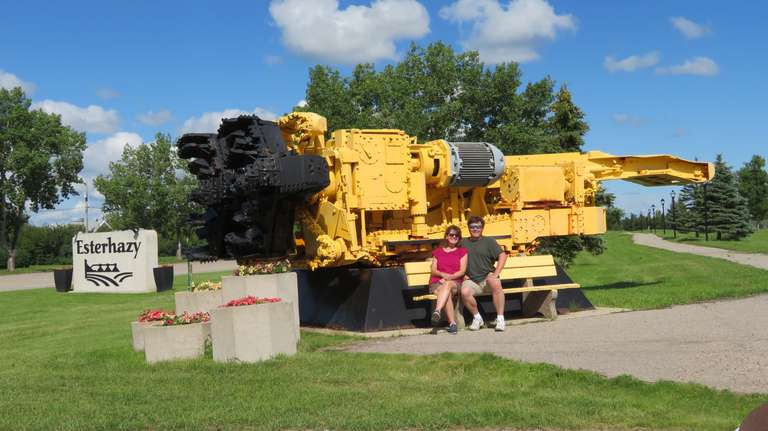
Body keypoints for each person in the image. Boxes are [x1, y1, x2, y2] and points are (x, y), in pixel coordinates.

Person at [460, 216, 508, 331]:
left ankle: (500, 319)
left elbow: (502, 255)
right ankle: (477, 318)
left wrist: (496, 273)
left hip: (487, 278)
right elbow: (455, 258)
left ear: (482, 228)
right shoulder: (463, 243)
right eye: (472, 227)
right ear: (468, 228)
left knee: (495, 282)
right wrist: (462, 275)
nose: (475, 229)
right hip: (472, 280)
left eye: (478, 227)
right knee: (464, 292)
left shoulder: (489, 241)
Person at [428, 225, 467, 335]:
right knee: (446, 293)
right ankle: (452, 324)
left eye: (456, 235)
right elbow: (433, 270)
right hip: (437, 283)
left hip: (455, 282)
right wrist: (442, 275)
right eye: (451, 234)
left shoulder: (462, 252)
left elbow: (462, 271)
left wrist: (449, 277)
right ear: (446, 236)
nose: (454, 237)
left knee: (448, 285)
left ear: (459, 238)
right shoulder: (438, 252)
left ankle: (437, 311)